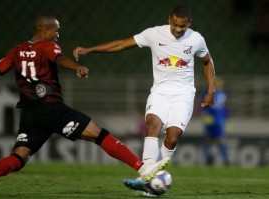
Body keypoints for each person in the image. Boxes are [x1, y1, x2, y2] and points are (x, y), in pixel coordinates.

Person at [0, 14, 170, 197]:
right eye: (56, 30)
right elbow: (59, 59)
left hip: (30, 113)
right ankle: (142, 168)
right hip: (51, 108)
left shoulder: (16, 50)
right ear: (44, 30)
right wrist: (76, 67)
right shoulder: (48, 46)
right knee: (99, 134)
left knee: (20, 156)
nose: (58, 35)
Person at [73, 5, 215, 195]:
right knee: (153, 124)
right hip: (160, 92)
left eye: (182, 26)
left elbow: (207, 62)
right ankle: (148, 175)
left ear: (189, 23)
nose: (178, 29)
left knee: (172, 136)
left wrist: (211, 91)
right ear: (169, 20)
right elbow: (122, 44)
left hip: (184, 94)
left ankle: (156, 175)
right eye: (174, 25)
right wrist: (91, 50)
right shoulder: (154, 34)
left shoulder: (196, 39)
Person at [200, 77, 229, 165]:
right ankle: (225, 159)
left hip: (211, 120)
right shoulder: (223, 94)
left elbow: (202, 105)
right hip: (219, 121)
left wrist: (204, 114)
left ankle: (209, 157)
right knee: (218, 140)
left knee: (209, 140)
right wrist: (226, 118)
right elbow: (225, 108)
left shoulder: (207, 93)